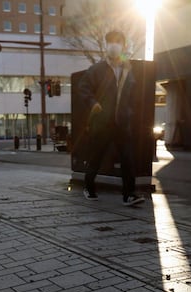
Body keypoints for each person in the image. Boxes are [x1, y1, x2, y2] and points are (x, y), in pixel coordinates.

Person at [78, 30, 144, 206]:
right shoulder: (97, 69)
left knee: (128, 158)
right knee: (97, 157)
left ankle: (129, 194)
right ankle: (88, 187)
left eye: (117, 42)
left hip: (122, 122)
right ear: (107, 46)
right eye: (110, 42)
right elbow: (83, 87)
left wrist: (129, 112)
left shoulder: (128, 69)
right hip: (102, 123)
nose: (113, 45)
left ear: (123, 46)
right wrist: (93, 103)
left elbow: (132, 94)